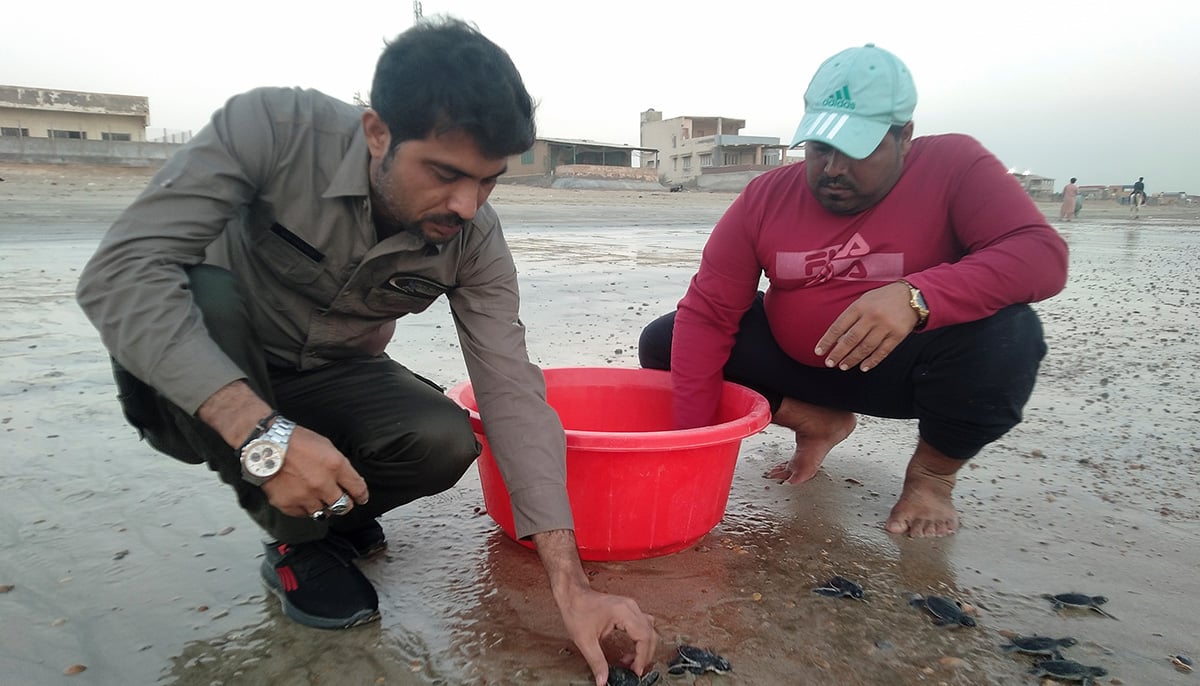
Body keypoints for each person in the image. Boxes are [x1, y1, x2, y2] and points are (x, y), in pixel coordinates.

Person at [75, 17, 654, 685]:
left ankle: (326, 513)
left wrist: (571, 584)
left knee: (444, 437)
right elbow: (121, 272)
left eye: (488, 181)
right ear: (377, 132)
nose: (467, 204)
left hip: (328, 378)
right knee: (206, 291)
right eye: (445, 173)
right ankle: (299, 543)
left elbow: (512, 393)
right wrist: (262, 435)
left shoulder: (473, 238)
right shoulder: (273, 128)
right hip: (203, 385)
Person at [638, 43, 1069, 538]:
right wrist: (693, 448)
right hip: (799, 365)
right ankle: (816, 421)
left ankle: (931, 477)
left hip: (904, 374)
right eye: (820, 149)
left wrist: (917, 296)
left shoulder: (954, 165)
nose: (834, 168)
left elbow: (1040, 254)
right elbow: (709, 313)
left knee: (1010, 336)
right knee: (667, 342)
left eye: (857, 148)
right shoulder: (766, 196)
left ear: (904, 136)